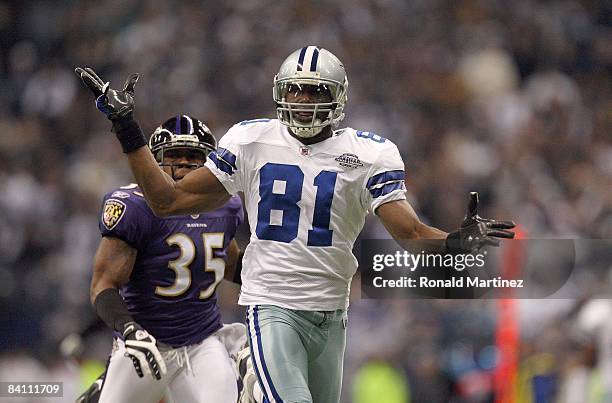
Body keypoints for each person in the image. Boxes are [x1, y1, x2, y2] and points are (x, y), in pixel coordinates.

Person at [75, 47, 515, 402]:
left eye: (312, 90)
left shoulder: (369, 153)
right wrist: (127, 127)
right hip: (272, 305)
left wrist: (455, 243)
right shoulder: (251, 140)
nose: (302, 100)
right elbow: (167, 200)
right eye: (296, 90)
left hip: (331, 312)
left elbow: (411, 233)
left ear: (337, 97)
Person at [78, 113, 245, 403]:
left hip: (201, 342)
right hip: (145, 344)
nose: (183, 163)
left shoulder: (225, 205)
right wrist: (129, 329)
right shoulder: (135, 207)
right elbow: (103, 285)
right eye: (174, 155)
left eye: (193, 156)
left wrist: (287, 278)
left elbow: (230, 265)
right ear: (154, 161)